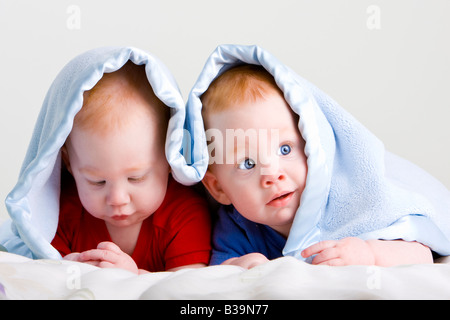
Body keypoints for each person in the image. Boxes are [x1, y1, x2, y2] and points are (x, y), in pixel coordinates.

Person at [200, 64, 433, 269]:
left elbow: (423, 254)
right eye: (247, 163)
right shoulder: (238, 226)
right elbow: (219, 269)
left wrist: (370, 253)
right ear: (218, 188)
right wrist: (239, 266)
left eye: (285, 149)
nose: (272, 175)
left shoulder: (351, 201)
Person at [51, 61, 211, 274]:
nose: (117, 199)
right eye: (97, 181)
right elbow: (45, 274)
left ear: (170, 158)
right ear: (69, 163)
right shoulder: (58, 215)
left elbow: (185, 289)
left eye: (136, 178)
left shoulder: (185, 216)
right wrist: (68, 267)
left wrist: (132, 277)